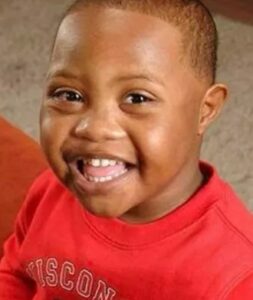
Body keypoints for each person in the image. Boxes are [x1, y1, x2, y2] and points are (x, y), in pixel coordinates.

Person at [0, 0, 252, 298]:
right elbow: (17, 271)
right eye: (68, 94)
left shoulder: (233, 274)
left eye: (137, 99)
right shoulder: (49, 192)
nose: (93, 127)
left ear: (205, 110)